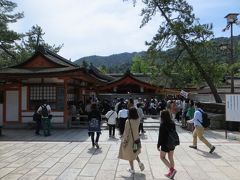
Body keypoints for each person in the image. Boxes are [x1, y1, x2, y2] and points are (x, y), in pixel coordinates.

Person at [118, 107, 145, 174]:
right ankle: (139, 162)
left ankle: (132, 169)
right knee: (134, 152)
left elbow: (126, 133)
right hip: (136, 140)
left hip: (130, 141)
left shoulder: (128, 121)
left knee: (130, 154)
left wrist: (124, 141)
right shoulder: (138, 119)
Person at [157, 110, 177, 179]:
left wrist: (158, 145)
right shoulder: (172, 123)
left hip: (165, 144)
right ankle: (171, 173)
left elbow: (160, 136)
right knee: (170, 157)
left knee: (162, 157)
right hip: (172, 143)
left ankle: (172, 170)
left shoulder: (162, 124)